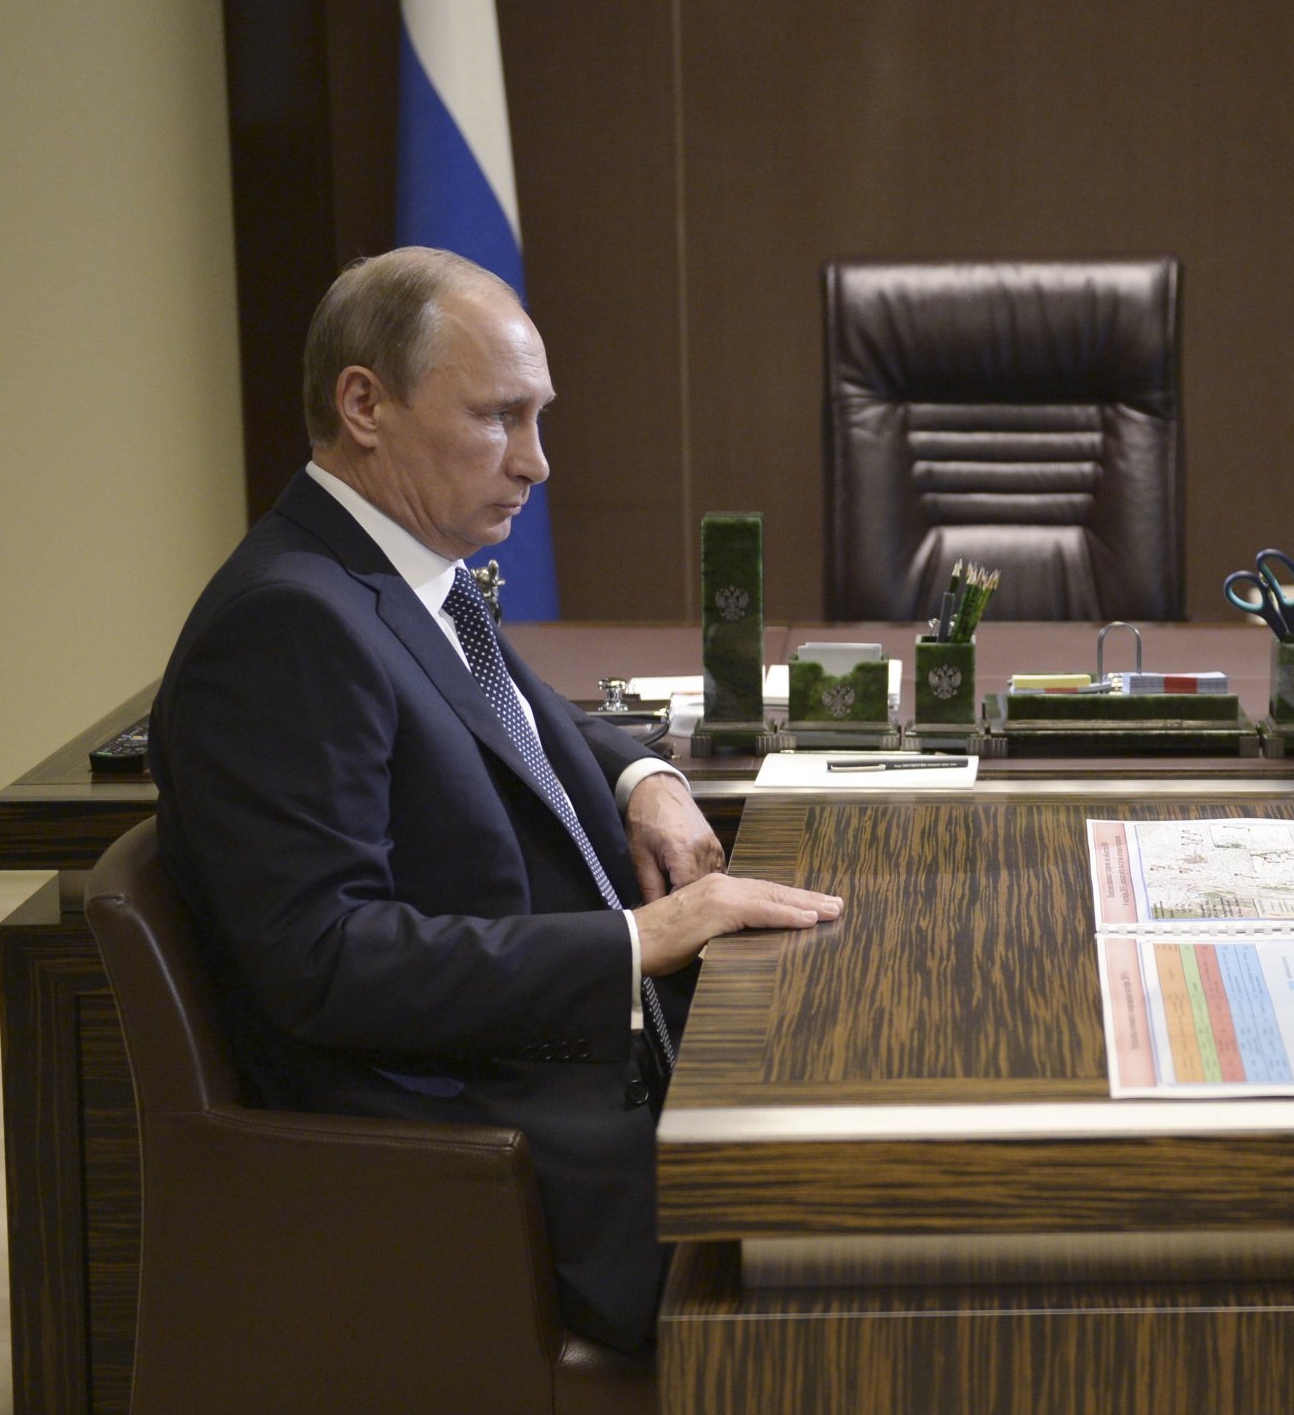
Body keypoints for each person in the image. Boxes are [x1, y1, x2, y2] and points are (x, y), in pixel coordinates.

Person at [151, 248, 843, 1356]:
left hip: (550, 1072)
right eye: (497, 419)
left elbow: (511, 711)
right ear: (364, 402)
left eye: (539, 418)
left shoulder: (395, 571)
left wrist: (642, 774)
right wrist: (639, 937)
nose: (536, 462)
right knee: (861, 1240)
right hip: (479, 1160)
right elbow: (321, 960)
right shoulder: (286, 624)